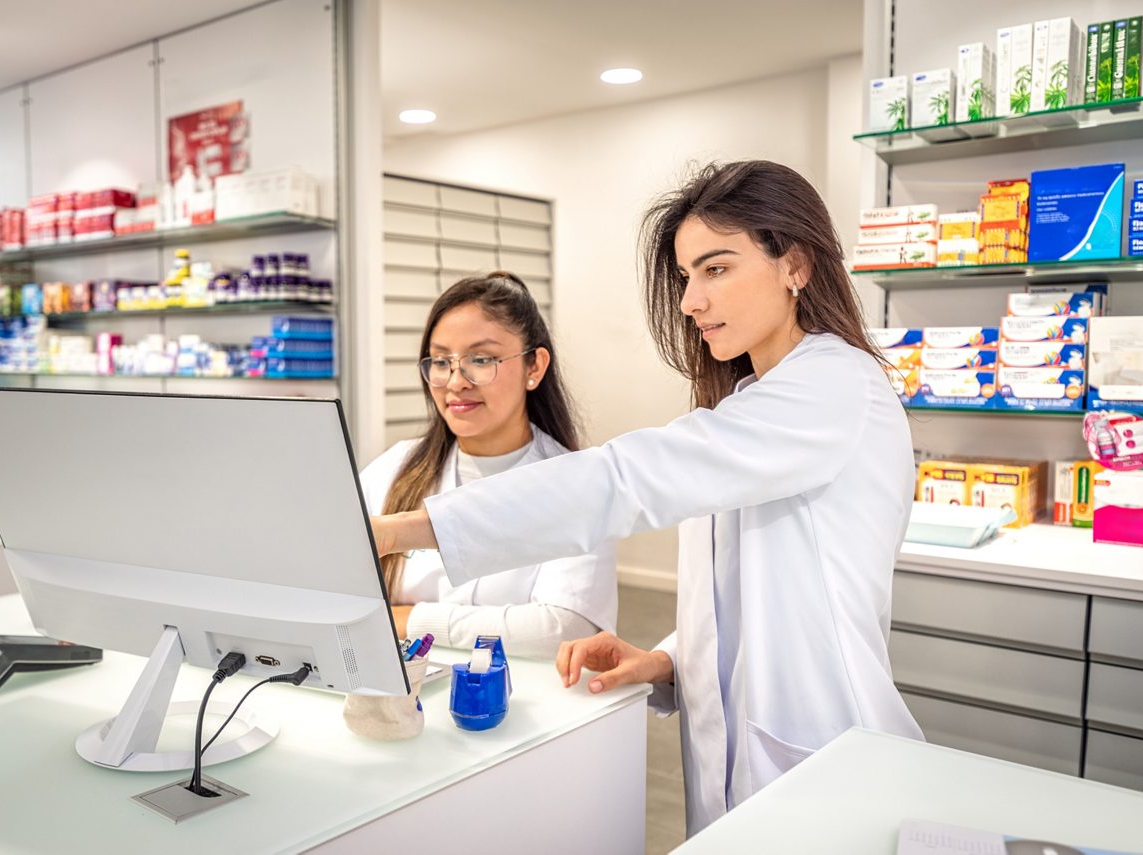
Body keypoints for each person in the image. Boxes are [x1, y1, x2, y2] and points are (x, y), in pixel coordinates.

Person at [370, 160, 924, 836]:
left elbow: (623, 479)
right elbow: (743, 590)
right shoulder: (752, 403)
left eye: (716, 269)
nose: (691, 301)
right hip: (743, 765)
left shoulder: (835, 387)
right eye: (687, 276)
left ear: (796, 264)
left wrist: (403, 530)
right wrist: (667, 658)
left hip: (826, 758)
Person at [360, 271, 616, 659]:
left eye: (481, 359)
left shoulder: (577, 485)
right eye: (441, 361)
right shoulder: (396, 468)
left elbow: (563, 628)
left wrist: (410, 619)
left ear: (534, 367)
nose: (456, 382)